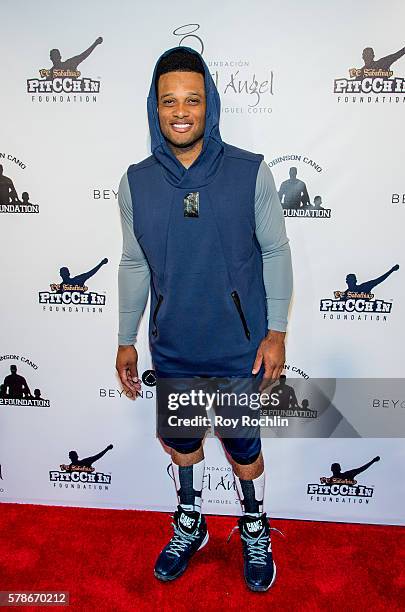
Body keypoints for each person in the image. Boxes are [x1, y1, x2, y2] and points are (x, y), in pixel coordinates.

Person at [115, 47, 293, 592]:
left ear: (209, 105)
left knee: (245, 450)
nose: (181, 111)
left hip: (238, 350)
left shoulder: (249, 170)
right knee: (183, 443)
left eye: (192, 98)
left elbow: (275, 252)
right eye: (169, 101)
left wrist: (277, 333)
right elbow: (134, 260)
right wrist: (126, 339)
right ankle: (190, 520)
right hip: (173, 349)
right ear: (155, 108)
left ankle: (253, 523)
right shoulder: (135, 182)